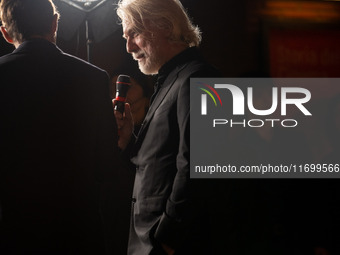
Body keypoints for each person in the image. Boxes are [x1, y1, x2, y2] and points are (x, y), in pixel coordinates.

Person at [0, 0, 123, 254]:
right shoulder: (94, 78)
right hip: (78, 233)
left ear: (4, 32)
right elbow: (107, 165)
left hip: (13, 233)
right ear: (55, 23)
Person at [115, 0, 220, 254]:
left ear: (164, 25)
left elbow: (199, 169)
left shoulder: (198, 77)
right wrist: (130, 140)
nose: (128, 47)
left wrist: (168, 239)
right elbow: (156, 166)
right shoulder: (170, 79)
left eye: (133, 33)